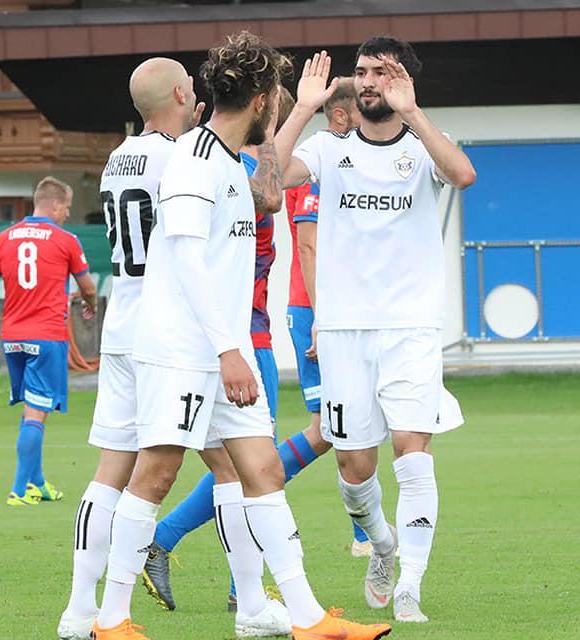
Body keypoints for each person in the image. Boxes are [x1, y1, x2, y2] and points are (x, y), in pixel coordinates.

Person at [90, 32, 390, 640]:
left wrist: (300, 108)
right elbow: (187, 262)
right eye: (275, 97)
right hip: (181, 350)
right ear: (260, 101)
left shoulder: (226, 160)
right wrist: (229, 351)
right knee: (155, 475)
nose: (276, 106)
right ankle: (110, 619)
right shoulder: (192, 162)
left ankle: (307, 618)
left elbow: (270, 196)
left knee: (264, 472)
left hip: (224, 350)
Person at [58, 57, 290, 640]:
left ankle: (79, 610)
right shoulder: (183, 157)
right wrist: (281, 121)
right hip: (172, 331)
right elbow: (259, 198)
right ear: (184, 95)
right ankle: (249, 603)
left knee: (112, 470)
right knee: (218, 466)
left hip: (123, 324)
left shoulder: (119, 156)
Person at [275, 38, 476, 623]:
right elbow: (268, 183)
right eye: (361, 72)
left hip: (410, 327)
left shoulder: (424, 147)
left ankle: (411, 584)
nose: (367, 81)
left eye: (381, 73)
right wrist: (301, 107)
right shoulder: (327, 149)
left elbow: (463, 174)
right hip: (344, 331)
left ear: (405, 81)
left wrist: (413, 112)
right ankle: (383, 545)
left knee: (412, 451)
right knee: (353, 467)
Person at [0, 177, 98, 506]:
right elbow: (89, 287)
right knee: (37, 413)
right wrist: (90, 304)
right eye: (66, 207)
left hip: (12, 338)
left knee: (31, 410)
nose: (67, 213)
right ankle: (20, 489)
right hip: (46, 337)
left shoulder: (4, 238)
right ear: (55, 205)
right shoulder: (65, 239)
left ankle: (37, 482)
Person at [283, 77, 374, 557]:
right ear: (340, 116)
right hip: (315, 311)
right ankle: (249, 485)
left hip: (338, 311)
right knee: (329, 428)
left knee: (348, 422)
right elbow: (308, 244)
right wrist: (321, 315)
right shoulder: (319, 163)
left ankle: (366, 533)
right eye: (362, 109)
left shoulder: (351, 161)